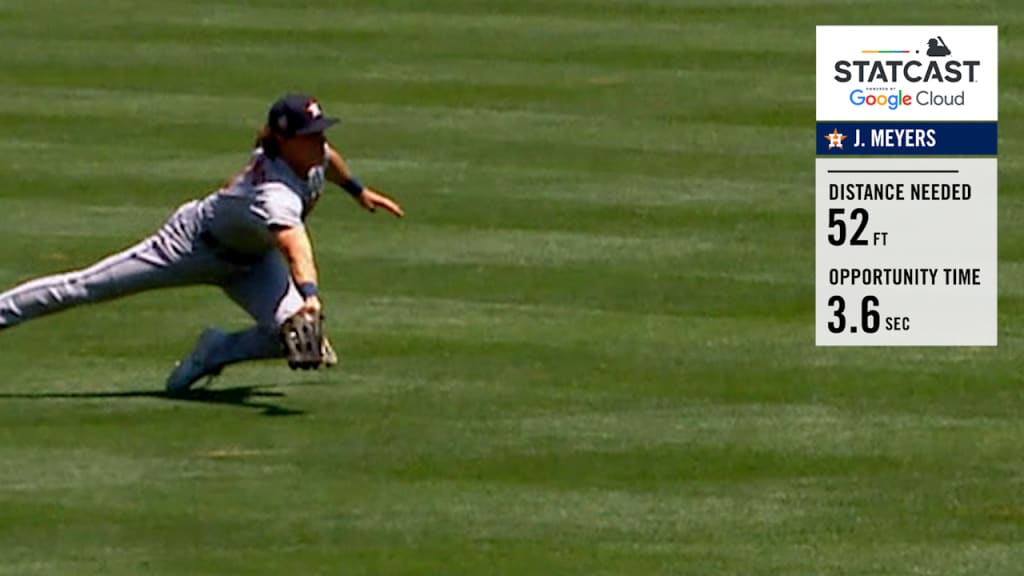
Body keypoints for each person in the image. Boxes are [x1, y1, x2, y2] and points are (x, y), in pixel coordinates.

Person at [0, 94, 404, 393]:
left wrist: (357, 190)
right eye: (309, 136)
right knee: (86, 287)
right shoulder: (274, 194)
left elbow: (331, 160)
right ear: (284, 141)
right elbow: (295, 244)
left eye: (320, 133)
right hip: (189, 246)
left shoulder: (309, 157)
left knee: (302, 341)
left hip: (250, 263)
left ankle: (215, 352)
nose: (319, 142)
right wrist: (310, 295)